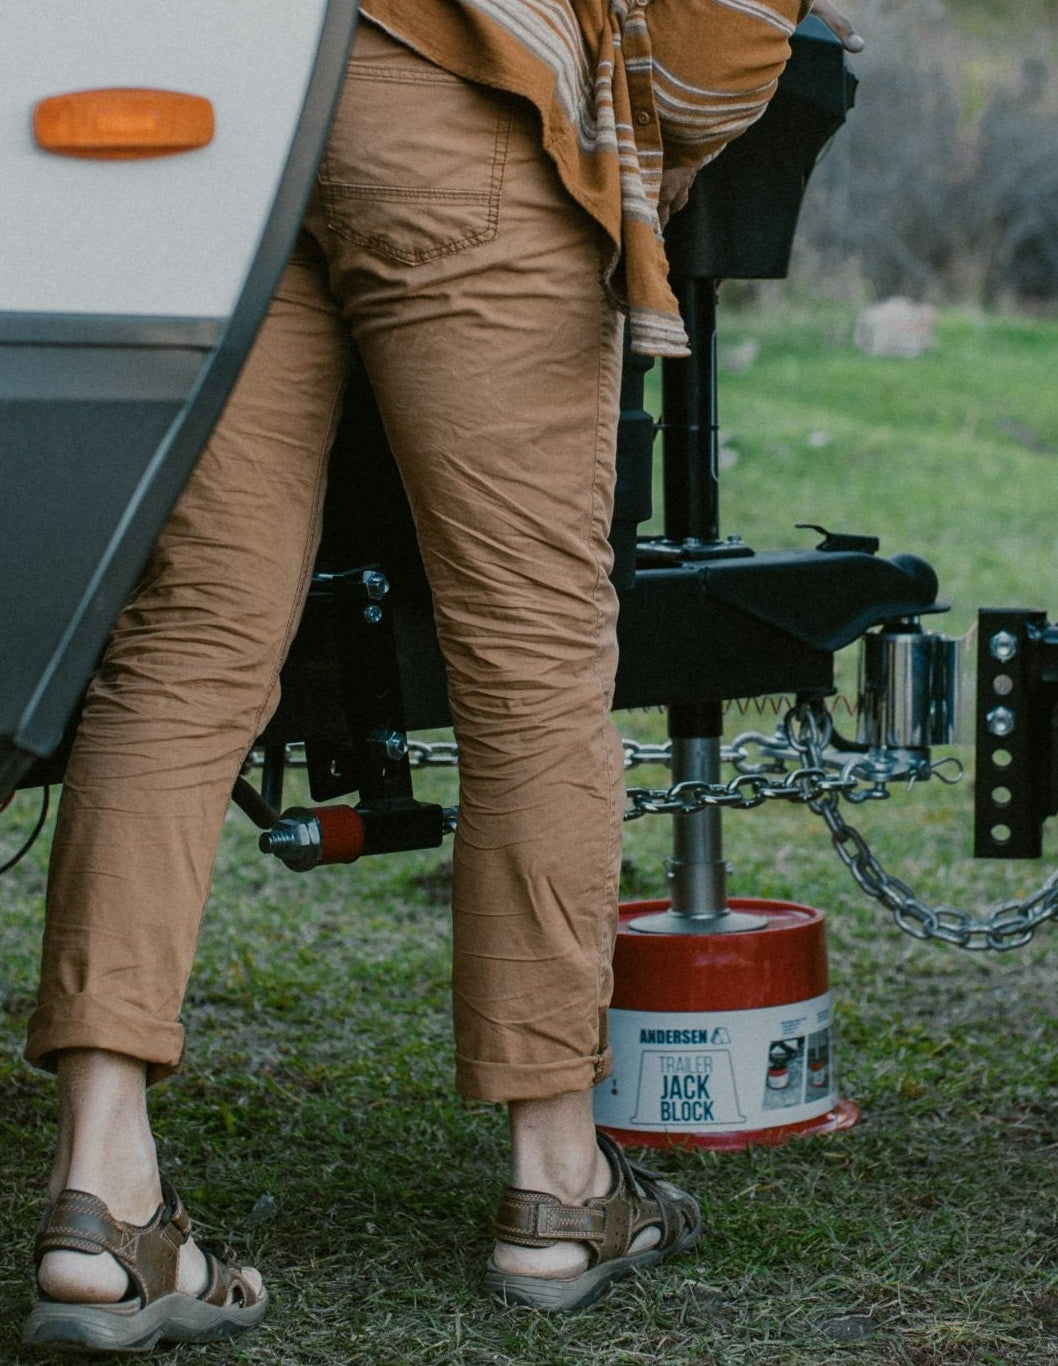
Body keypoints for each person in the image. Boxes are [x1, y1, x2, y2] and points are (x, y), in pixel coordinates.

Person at [21, 0, 863, 1352]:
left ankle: (101, 1191)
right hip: (448, 90)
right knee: (529, 652)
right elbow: (732, 23)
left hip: (207, 105)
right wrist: (650, 134)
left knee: (182, 644)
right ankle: (556, 1180)